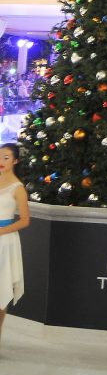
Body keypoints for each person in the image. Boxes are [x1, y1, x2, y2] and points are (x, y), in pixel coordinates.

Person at [0, 143, 30, 343]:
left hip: (5, 242)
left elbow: (24, 220)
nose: (1, 161)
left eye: (6, 157)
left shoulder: (18, 188)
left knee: (1, 289)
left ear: (15, 160)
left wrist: (1, 230)